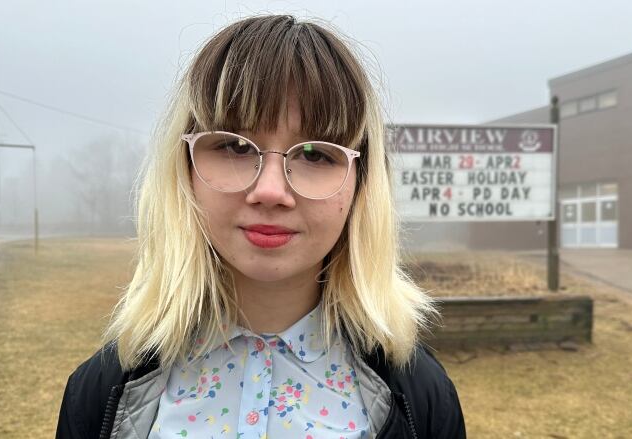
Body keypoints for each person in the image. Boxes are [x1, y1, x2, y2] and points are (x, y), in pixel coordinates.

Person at [56, 14, 466, 439]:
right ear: (184, 170)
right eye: (233, 146)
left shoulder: (424, 401)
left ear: (361, 186)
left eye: (314, 153)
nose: (270, 191)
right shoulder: (99, 394)